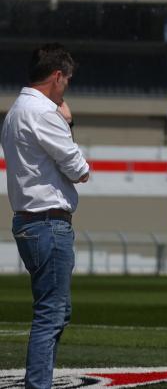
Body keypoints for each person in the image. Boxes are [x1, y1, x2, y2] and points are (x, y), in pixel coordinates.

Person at [1, 43, 90, 389]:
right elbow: (79, 170)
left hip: (30, 221)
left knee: (54, 311)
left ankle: (39, 382)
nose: (66, 86)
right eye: (66, 79)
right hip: (48, 222)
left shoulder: (16, 110)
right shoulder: (43, 113)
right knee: (51, 314)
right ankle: (38, 384)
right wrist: (68, 122)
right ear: (57, 76)